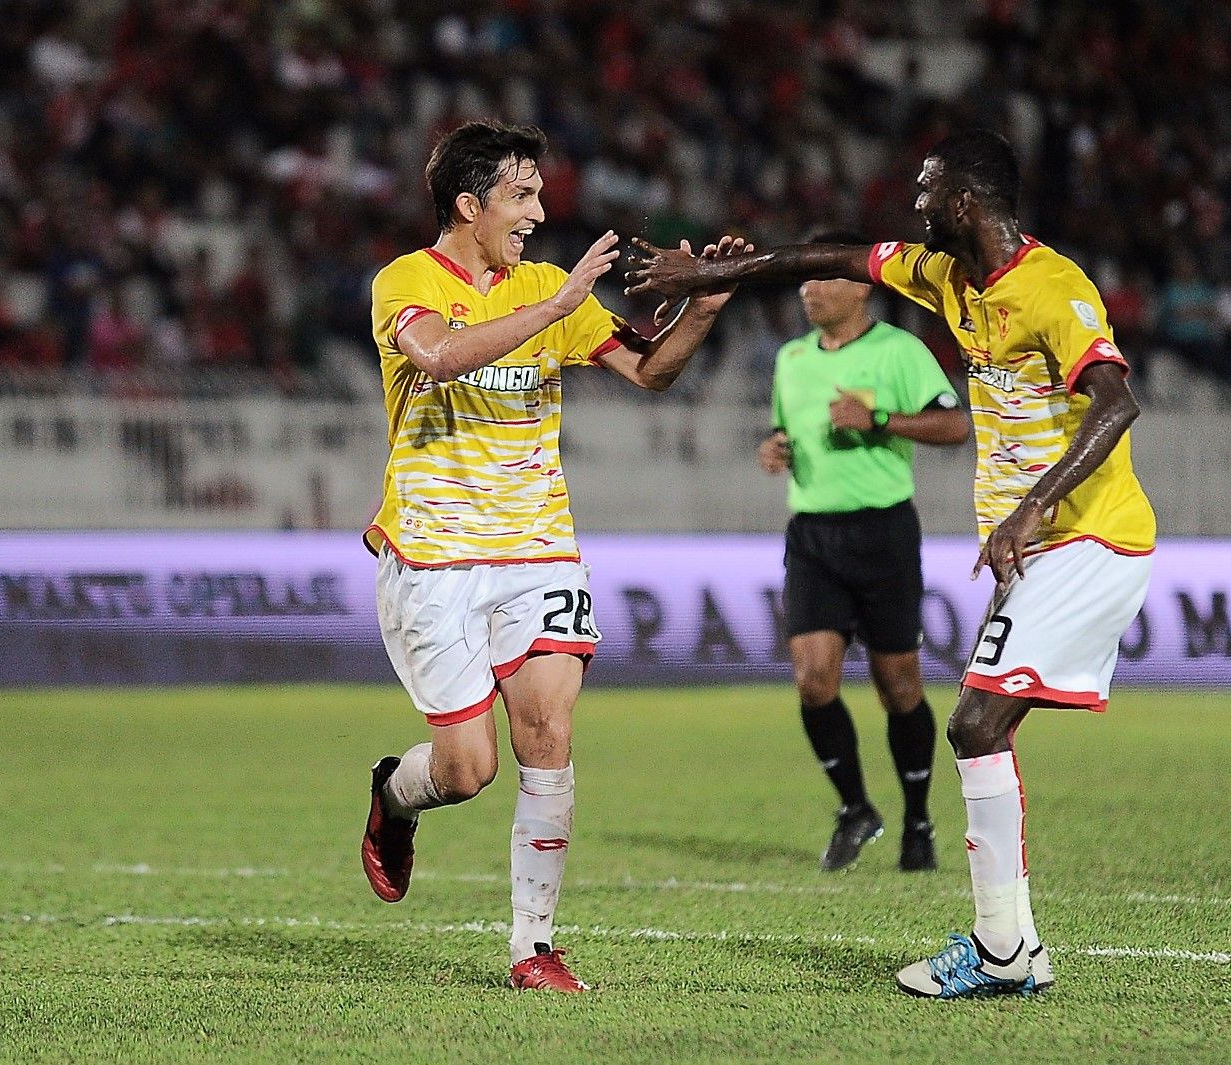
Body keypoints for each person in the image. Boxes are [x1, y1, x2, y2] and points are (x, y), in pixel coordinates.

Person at [627, 129, 1156, 999]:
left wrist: (1031, 505)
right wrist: (710, 278)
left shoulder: (1056, 288)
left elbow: (1117, 399)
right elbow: (833, 253)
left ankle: (999, 950)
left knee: (974, 724)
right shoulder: (945, 277)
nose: (913, 206)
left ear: (964, 202)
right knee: (989, 733)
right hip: (1033, 547)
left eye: (925, 191)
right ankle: (1012, 942)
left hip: (1088, 536)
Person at [360, 120, 747, 994]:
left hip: (537, 548)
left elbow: (651, 371)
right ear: (469, 204)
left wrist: (706, 308)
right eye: (521, 195)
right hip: (433, 556)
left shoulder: (546, 287)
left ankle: (532, 946)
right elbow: (442, 355)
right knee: (467, 770)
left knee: (548, 735)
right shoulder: (406, 283)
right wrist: (553, 308)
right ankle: (394, 795)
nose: (539, 211)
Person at [759, 228, 971, 873]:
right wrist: (777, 447)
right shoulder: (792, 358)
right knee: (813, 679)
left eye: (822, 277)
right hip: (813, 534)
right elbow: (783, 427)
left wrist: (879, 421)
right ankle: (855, 807)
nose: (808, 289)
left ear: (860, 286)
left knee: (897, 687)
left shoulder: (900, 352)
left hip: (882, 532)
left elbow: (955, 424)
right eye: (803, 278)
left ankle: (919, 818)